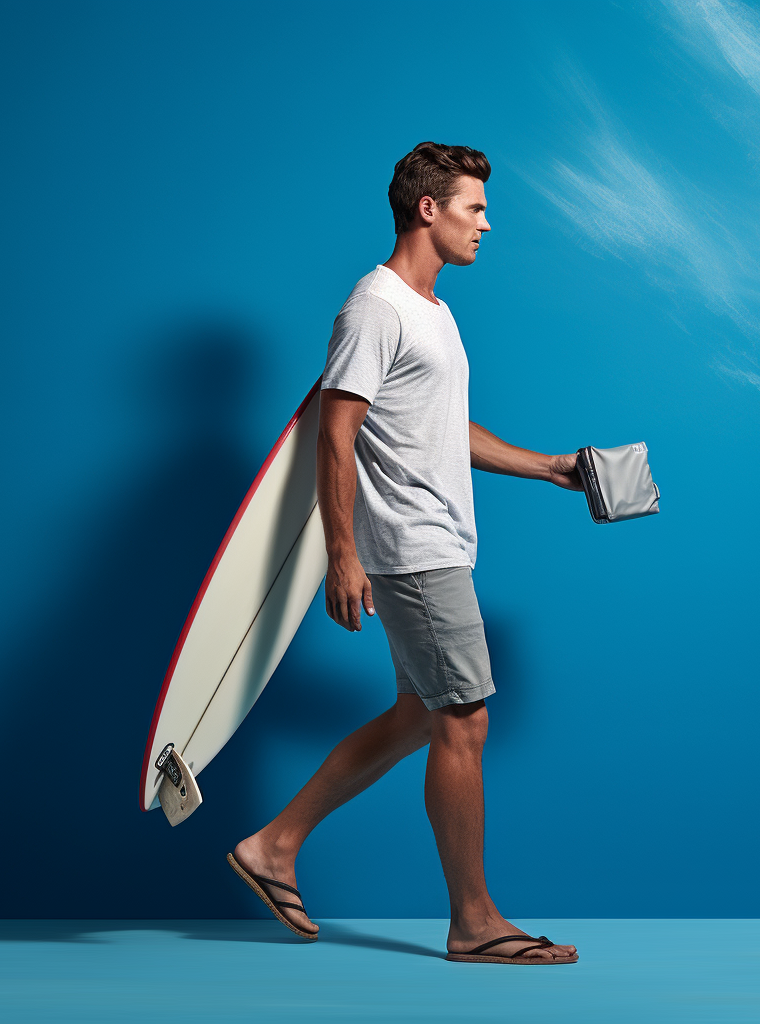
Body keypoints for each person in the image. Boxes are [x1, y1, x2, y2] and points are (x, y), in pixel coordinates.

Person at [230, 142, 581, 964]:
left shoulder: (435, 312)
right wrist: (343, 554)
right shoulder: (375, 306)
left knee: (418, 715)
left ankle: (272, 846)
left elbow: (437, 428)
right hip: (415, 550)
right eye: (475, 208)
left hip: (443, 540)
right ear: (430, 209)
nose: (486, 225)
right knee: (466, 719)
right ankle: (475, 923)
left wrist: (547, 466)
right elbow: (336, 432)